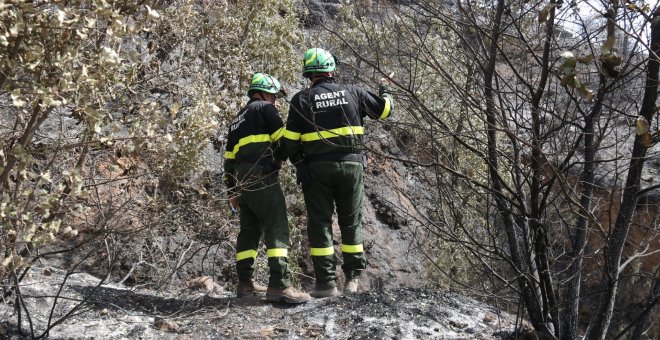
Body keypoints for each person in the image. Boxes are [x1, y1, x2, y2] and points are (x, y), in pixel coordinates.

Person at [281, 48, 394, 298]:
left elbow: (289, 142)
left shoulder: (301, 99)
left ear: (308, 73)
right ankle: (352, 280)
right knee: (351, 222)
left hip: (316, 170)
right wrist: (385, 88)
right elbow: (385, 111)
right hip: (352, 167)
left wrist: (298, 160)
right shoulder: (354, 92)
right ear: (331, 69)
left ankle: (326, 284)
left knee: (320, 224)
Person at [223, 72, 310, 304]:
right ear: (263, 93)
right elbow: (284, 141)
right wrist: (288, 157)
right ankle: (280, 285)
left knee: (249, 231)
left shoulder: (237, 119)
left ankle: (244, 284)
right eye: (274, 96)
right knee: (277, 225)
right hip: (263, 177)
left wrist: (232, 191)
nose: (275, 101)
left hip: (242, 184)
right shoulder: (265, 109)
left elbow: (229, 160)